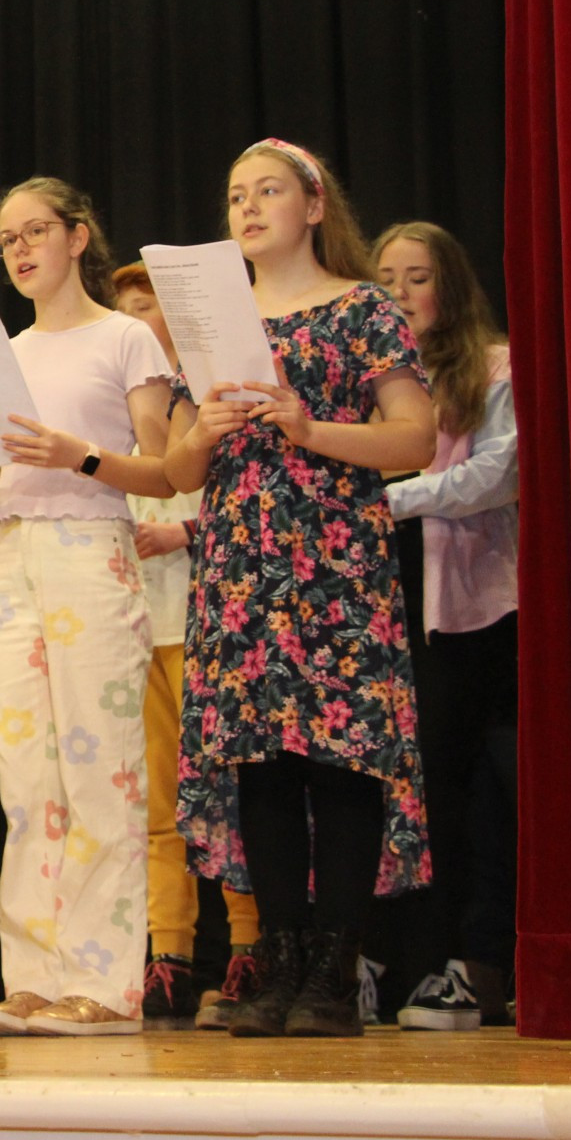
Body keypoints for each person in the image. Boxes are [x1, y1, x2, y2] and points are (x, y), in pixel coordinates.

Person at [164, 139, 437, 1038]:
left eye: (268, 190)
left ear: (314, 207)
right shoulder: (211, 324)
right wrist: (200, 431)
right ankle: (277, 960)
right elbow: (173, 467)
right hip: (241, 564)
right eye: (235, 193)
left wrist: (312, 427)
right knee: (262, 763)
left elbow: (414, 440)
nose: (247, 207)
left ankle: (335, 963)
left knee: (340, 759)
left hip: (334, 563)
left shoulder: (361, 309)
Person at [0, 181, 173, 1038]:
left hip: (91, 549)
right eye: (4, 236)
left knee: (101, 768)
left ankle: (108, 980)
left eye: (35, 230)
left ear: (78, 236)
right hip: (10, 556)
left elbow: (162, 470)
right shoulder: (1, 354)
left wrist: (79, 455)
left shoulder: (124, 337)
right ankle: (36, 972)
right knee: (28, 775)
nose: (18, 249)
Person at [111, 262, 264, 1030]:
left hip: (216, 622)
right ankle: (168, 953)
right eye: (129, 315)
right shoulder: (121, 401)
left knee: (232, 796)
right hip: (140, 625)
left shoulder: (220, 393)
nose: (140, 327)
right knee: (157, 802)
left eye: (152, 313)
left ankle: (250, 946)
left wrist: (184, 531)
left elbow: (258, 501)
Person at [375, 222, 519, 1031]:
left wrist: (386, 496)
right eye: (386, 279)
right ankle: (404, 961)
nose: (399, 293)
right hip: (397, 607)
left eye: (417, 277)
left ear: (451, 287)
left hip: (481, 611)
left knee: (475, 789)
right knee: (408, 792)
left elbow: (495, 475)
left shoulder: (493, 365)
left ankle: (476, 961)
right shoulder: (379, 382)